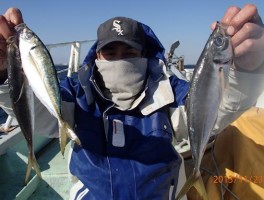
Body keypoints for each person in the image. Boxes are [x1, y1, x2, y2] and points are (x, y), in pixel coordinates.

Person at [0, 3, 263, 200]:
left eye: (129, 52)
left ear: (144, 55)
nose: (119, 59)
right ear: (96, 56)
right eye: (110, 52)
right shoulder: (75, 92)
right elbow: (42, 115)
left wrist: (246, 72)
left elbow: (213, 109)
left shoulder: (169, 91)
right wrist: (6, 72)